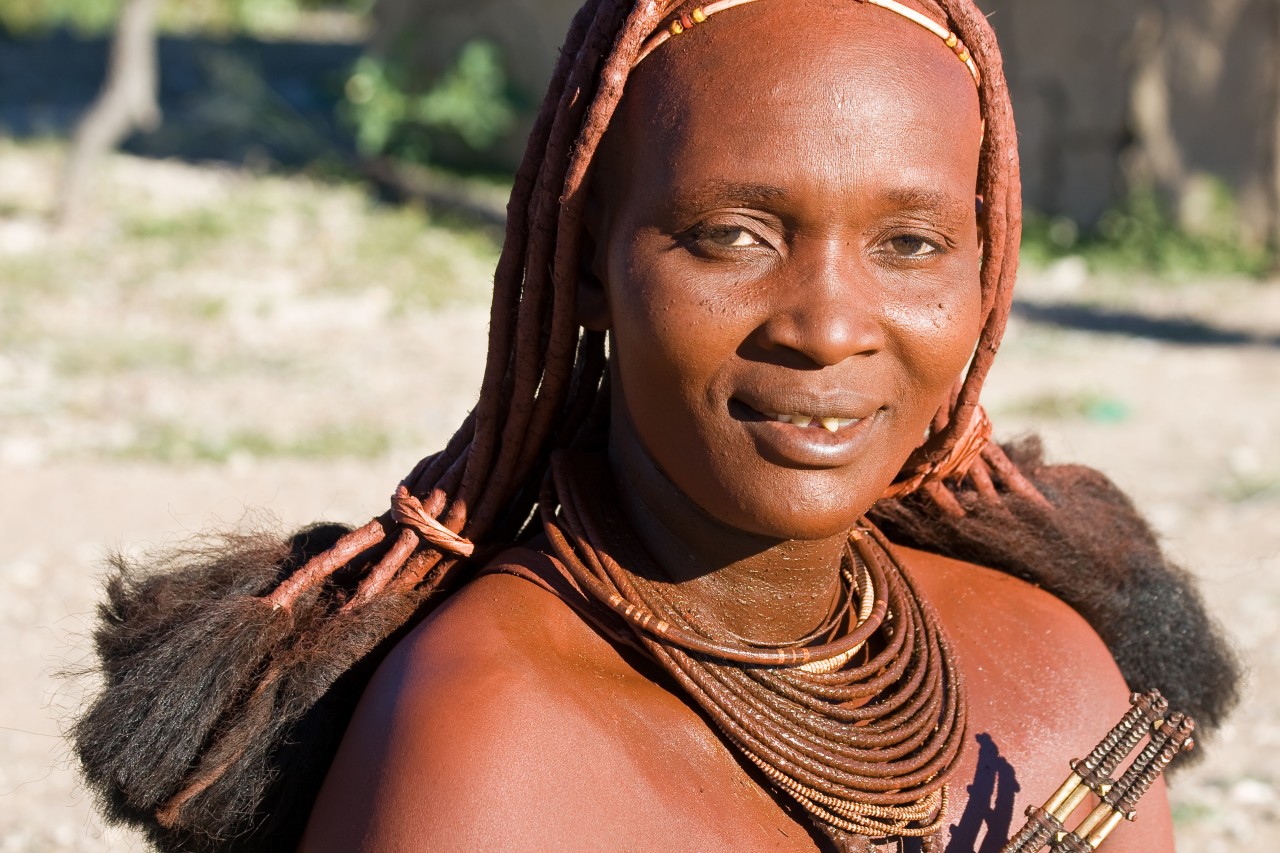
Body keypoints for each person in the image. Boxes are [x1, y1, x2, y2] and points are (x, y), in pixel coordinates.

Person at [72, 1, 1239, 851]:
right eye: (731, 234)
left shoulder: (1058, 680)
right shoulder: (492, 750)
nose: (828, 326)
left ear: (986, 278)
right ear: (587, 266)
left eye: (910, 244)